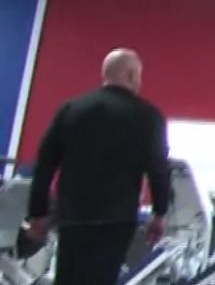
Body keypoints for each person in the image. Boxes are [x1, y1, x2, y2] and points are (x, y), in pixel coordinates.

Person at [24, 48, 171, 285]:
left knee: (68, 278)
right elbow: (158, 169)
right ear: (132, 75)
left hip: (73, 216)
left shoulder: (71, 109)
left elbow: (44, 164)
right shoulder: (148, 116)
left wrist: (38, 213)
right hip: (117, 219)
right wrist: (160, 213)